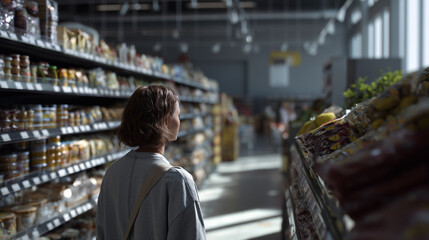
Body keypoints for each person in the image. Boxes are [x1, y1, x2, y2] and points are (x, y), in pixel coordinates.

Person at [96, 85, 206, 240]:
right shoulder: (177, 181)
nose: (179, 121)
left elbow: (101, 232)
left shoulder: (112, 173)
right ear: (166, 121)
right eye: (178, 115)